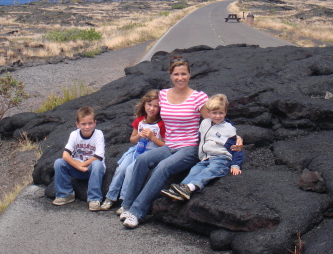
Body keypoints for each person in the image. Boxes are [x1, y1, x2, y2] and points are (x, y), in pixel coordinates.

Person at [119, 56, 211, 228]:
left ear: (190, 75)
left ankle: (137, 212)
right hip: (169, 146)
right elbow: (149, 110)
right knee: (142, 160)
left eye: (184, 74)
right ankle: (126, 206)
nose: (180, 78)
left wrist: (232, 137)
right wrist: (140, 127)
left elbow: (211, 122)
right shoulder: (163, 95)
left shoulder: (198, 98)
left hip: (189, 148)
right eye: (176, 74)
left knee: (163, 167)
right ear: (171, 75)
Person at [160, 94, 244, 201]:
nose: (217, 116)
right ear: (208, 112)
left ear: (225, 112)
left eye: (221, 113)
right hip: (205, 157)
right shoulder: (205, 123)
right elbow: (199, 138)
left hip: (221, 158)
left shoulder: (228, 129)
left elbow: (236, 148)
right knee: (194, 170)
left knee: (210, 170)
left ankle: (190, 187)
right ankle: (180, 190)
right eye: (214, 113)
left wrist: (236, 164)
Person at [100, 89, 165, 212]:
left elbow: (164, 145)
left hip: (151, 152)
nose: (152, 108)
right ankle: (110, 197)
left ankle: (125, 200)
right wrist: (140, 135)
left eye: (156, 106)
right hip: (137, 149)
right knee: (122, 168)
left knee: (131, 170)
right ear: (144, 104)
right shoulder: (140, 120)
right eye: (149, 105)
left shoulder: (161, 124)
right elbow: (132, 140)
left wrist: (152, 137)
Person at [52, 106, 106, 212]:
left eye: (90, 123)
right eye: (83, 124)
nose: (87, 127)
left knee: (97, 164)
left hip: (93, 169)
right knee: (59, 163)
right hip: (79, 168)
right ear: (77, 125)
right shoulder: (74, 135)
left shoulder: (98, 134)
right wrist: (80, 167)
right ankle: (65, 194)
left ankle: (94, 198)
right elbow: (65, 155)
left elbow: (98, 156)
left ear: (95, 123)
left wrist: (83, 164)